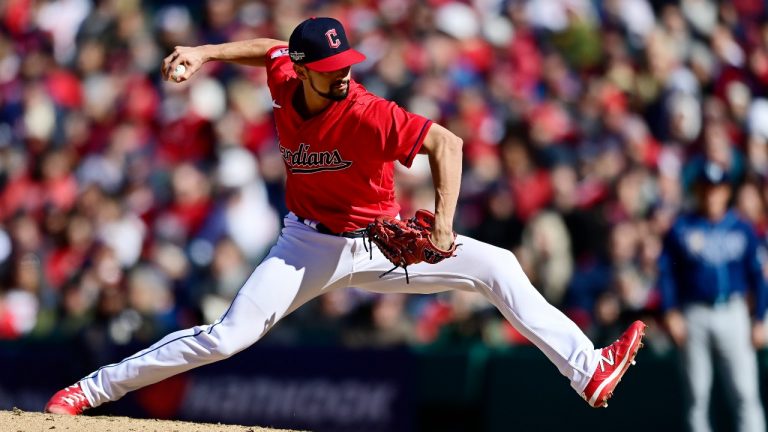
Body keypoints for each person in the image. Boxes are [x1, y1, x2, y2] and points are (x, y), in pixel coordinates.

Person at [44, 17, 645, 416]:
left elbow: (449, 144)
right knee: (226, 337)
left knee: (499, 267)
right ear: (304, 71)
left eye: (348, 64)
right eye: (332, 69)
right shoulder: (287, 80)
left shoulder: (365, 111)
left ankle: (588, 371)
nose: (346, 75)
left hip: (384, 245)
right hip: (306, 247)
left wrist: (443, 218)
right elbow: (271, 49)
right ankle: (88, 391)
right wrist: (204, 53)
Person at [659, 162, 767, 432]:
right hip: (695, 313)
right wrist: (671, 311)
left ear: (726, 191)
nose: (711, 195)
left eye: (717, 189)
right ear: (697, 190)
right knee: (697, 395)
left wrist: (760, 317)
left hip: (734, 311)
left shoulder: (741, 228)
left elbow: (757, 277)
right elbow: (666, 274)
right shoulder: (682, 227)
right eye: (706, 188)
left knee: (745, 392)